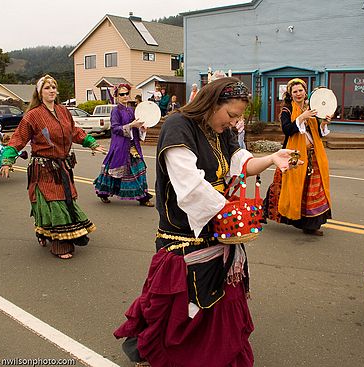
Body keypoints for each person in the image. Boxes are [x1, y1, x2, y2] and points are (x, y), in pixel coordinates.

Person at [114, 77, 303, 366]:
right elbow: (189, 184)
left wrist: (272, 159)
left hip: (215, 225)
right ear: (213, 103)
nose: (234, 123)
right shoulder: (179, 126)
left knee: (220, 298)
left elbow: (240, 162)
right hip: (184, 231)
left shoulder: (220, 129)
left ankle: (214, 352)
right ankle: (168, 351)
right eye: (231, 115)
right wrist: (228, 212)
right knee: (183, 302)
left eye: (238, 117)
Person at [0, 74, 106, 259]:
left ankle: (52, 233)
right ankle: (60, 242)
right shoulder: (33, 115)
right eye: (47, 87)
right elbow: (18, 139)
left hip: (63, 166)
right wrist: (7, 161)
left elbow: (75, 132)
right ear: (40, 92)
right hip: (44, 167)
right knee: (53, 202)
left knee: (67, 200)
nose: (51, 90)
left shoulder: (63, 111)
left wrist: (92, 143)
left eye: (54, 87)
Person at [263, 78, 332, 236]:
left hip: (313, 155)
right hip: (294, 154)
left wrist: (323, 123)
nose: (298, 93)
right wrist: (302, 117)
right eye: (295, 91)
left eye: (300, 90)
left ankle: (311, 225)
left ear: (305, 91)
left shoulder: (312, 108)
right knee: (285, 186)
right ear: (290, 94)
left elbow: (318, 134)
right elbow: (287, 129)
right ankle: (269, 211)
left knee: (312, 190)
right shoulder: (287, 110)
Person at [94, 83, 154, 207]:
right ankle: (103, 192)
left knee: (140, 169)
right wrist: (131, 125)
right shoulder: (115, 111)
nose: (125, 96)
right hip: (120, 146)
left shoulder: (132, 110)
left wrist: (142, 128)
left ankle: (143, 197)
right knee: (114, 171)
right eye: (122, 94)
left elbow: (137, 125)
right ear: (117, 96)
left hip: (133, 146)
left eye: (127, 93)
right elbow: (115, 128)